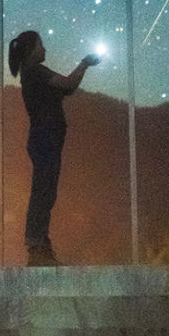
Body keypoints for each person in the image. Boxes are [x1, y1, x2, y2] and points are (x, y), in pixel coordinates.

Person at [8, 30, 100, 266]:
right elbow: (69, 84)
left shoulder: (31, 74)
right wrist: (84, 63)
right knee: (43, 191)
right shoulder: (36, 72)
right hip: (45, 137)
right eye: (41, 45)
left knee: (46, 190)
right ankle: (36, 244)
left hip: (45, 138)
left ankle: (40, 244)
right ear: (31, 50)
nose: (45, 49)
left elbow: (67, 88)